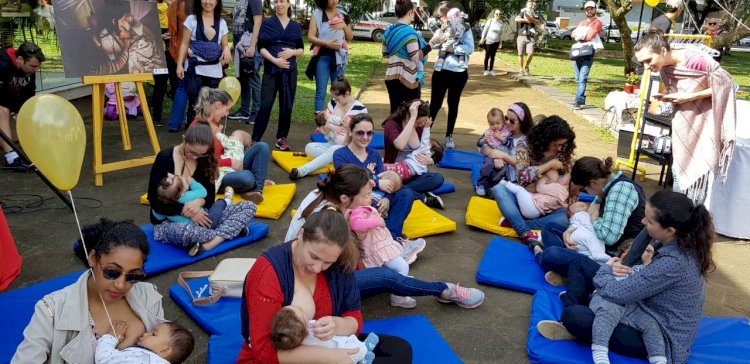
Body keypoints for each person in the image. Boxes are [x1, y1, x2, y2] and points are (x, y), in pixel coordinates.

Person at [537, 191, 715, 364]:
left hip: (657, 335)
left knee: (575, 316)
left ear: (669, 230)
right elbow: (628, 263)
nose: (643, 222)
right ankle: (582, 307)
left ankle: (576, 318)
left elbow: (616, 293)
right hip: (637, 304)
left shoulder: (674, 261)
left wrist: (606, 271)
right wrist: (646, 231)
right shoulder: (678, 238)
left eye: (649, 221)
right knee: (581, 264)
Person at [285, 165, 485, 309]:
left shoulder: (327, 192)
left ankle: (393, 249)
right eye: (364, 196)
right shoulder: (331, 219)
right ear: (345, 198)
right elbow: (335, 266)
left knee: (403, 197)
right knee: (389, 277)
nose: (369, 200)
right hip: (315, 285)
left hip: (317, 272)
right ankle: (444, 290)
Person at [239, 209, 414, 362]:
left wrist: (337, 325)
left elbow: (354, 317)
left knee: (399, 349)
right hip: (284, 356)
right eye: (314, 256)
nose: (317, 268)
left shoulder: (339, 265)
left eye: (327, 262)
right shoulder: (268, 272)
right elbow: (264, 350)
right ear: (300, 235)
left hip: (330, 344)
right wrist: (328, 357)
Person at [13, 219, 167, 363]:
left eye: (133, 276)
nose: (120, 285)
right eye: (112, 272)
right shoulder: (51, 311)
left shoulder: (149, 297)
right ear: (93, 258)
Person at [634, 30, 737, 205]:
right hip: (684, 124)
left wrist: (689, 97)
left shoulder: (695, 59)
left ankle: (689, 218)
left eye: (648, 60)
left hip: (705, 122)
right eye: (642, 62)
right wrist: (669, 97)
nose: (646, 66)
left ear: (663, 51)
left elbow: (727, 85)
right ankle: (682, 215)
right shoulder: (665, 68)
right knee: (678, 170)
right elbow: (680, 90)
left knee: (696, 173)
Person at [147, 122, 256, 254]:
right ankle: (228, 232)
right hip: (171, 221)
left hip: (203, 215)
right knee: (186, 233)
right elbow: (154, 200)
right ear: (184, 139)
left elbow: (210, 199)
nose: (194, 157)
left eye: (199, 154)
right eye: (191, 152)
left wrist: (198, 202)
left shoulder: (205, 160)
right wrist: (186, 210)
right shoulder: (165, 157)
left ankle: (210, 243)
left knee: (249, 206)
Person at [533, 156, 646, 282]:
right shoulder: (605, 187)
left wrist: (593, 218)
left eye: (584, 190)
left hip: (610, 259)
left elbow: (608, 237)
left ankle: (546, 259)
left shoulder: (620, 190)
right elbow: (587, 217)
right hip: (592, 242)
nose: (585, 194)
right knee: (550, 227)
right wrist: (568, 232)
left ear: (593, 183)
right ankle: (568, 269)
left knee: (551, 254)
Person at [490, 115, 576, 243]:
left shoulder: (563, 151)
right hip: (525, 200)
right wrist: (550, 165)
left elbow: (567, 179)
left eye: (563, 145)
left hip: (551, 205)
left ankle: (522, 224)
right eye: (556, 145)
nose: (560, 148)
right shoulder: (524, 146)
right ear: (546, 139)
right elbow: (522, 178)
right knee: (499, 189)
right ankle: (524, 232)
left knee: (568, 217)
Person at [333, 114, 418, 238]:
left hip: (378, 197)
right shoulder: (340, 154)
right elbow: (348, 182)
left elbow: (386, 180)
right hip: (357, 200)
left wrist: (387, 197)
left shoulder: (374, 154)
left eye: (369, 133)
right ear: (350, 132)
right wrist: (377, 183)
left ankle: (391, 236)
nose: (365, 137)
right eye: (360, 133)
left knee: (406, 193)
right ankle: (388, 236)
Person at [346, 181, 426, 307]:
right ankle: (398, 296)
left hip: (383, 246)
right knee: (403, 266)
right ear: (349, 200)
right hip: (377, 249)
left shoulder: (362, 207)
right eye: (365, 196)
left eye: (369, 194)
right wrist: (376, 221)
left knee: (394, 267)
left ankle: (400, 280)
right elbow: (357, 224)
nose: (370, 197)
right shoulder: (356, 212)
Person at [189, 88, 270, 202]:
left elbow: (220, 150)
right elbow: (200, 162)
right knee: (246, 177)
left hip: (227, 166)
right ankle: (256, 182)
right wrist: (230, 162)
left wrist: (234, 143)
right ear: (218, 105)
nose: (227, 114)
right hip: (214, 174)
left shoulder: (213, 123)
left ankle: (256, 189)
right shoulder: (199, 127)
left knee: (262, 147)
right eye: (227, 110)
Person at [586, 242, 660, 364]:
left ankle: (659, 360)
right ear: (626, 251)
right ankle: (600, 353)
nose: (649, 254)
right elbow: (598, 279)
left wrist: (648, 264)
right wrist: (608, 266)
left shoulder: (642, 270)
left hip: (631, 307)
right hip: (607, 299)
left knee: (651, 323)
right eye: (646, 250)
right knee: (609, 311)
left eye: (651, 252)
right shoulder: (611, 263)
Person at [252, 0, 304, 151]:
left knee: (287, 106)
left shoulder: (294, 26)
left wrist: (292, 52)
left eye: (282, 1)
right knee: (265, 105)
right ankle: (256, 139)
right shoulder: (268, 23)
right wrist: (276, 61)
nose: (279, 4)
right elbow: (261, 47)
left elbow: (301, 48)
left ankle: (282, 138)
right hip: (271, 71)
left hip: (289, 72)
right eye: (276, 2)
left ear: (288, 4)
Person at [291, 76, 367, 179]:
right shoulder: (333, 103)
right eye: (334, 98)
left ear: (347, 94)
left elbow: (363, 136)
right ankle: (336, 159)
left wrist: (351, 127)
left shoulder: (360, 109)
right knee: (309, 147)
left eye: (337, 98)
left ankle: (301, 171)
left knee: (335, 150)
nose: (335, 100)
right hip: (332, 142)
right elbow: (324, 123)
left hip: (349, 147)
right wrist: (332, 126)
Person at [175, 0, 231, 125]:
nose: (207, 2)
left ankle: (209, 135)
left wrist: (226, 49)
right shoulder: (192, 20)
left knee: (212, 106)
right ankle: (192, 135)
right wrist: (179, 64)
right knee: (195, 105)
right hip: (195, 70)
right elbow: (184, 44)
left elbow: (225, 45)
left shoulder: (221, 23)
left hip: (214, 71)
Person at [383, 100, 446, 208]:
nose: (421, 125)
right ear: (408, 116)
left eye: (423, 122)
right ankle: (422, 197)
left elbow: (433, 149)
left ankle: (396, 190)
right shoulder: (392, 125)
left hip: (414, 174)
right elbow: (400, 145)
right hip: (395, 172)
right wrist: (412, 120)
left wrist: (431, 160)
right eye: (419, 122)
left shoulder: (420, 128)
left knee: (438, 178)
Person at [428, 1, 474, 149]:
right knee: (435, 104)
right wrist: (436, 42)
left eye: (441, 16)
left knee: (453, 105)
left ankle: (449, 136)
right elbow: (433, 43)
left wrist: (452, 49)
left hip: (458, 73)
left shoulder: (465, 28)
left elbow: (470, 48)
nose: (440, 19)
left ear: (449, 15)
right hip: (440, 72)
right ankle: (425, 134)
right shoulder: (442, 28)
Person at [270, 305, 378, 364]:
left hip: (339, 343)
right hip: (343, 350)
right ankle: (364, 354)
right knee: (354, 351)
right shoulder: (312, 328)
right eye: (301, 311)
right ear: (304, 324)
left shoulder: (298, 340)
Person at [0, 42, 45, 170]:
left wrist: (20, 111)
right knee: (2, 110)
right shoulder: (2, 63)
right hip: (2, 97)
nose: (35, 70)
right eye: (32, 66)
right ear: (20, 59)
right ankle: (11, 157)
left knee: (26, 111)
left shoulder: (30, 71)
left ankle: (31, 151)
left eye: (37, 67)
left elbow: (28, 96)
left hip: (8, 95)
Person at [383, 0, 432, 113]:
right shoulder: (410, 33)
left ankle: (393, 131)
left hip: (391, 76)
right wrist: (431, 45)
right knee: (411, 113)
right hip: (408, 78)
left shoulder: (388, 30)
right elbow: (415, 57)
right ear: (410, 12)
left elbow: (385, 54)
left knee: (395, 112)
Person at [308, 0, 353, 116]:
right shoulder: (317, 14)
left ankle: (338, 119)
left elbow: (350, 37)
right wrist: (327, 44)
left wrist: (344, 25)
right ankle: (319, 122)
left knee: (339, 91)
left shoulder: (342, 14)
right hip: (323, 57)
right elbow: (310, 37)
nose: (334, 1)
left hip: (340, 59)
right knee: (320, 92)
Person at [479, 102, 534, 191]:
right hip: (500, 171)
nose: (507, 122)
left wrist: (503, 156)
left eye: (512, 121)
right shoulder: (502, 131)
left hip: (515, 179)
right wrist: (495, 156)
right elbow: (481, 147)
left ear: (521, 123)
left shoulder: (525, 141)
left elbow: (522, 166)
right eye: (506, 118)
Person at [228, 0, 264, 123]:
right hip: (240, 44)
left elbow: (258, 22)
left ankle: (256, 112)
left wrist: (252, 46)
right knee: (243, 79)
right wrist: (234, 46)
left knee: (253, 78)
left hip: (249, 44)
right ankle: (244, 110)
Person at [95, 321, 194, 364]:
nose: (146, 334)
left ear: (164, 350)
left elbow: (104, 359)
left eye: (153, 334)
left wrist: (111, 337)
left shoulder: (141, 357)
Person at [570, 1, 603, 110]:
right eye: (587, 9)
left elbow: (590, 36)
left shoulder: (597, 22)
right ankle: (582, 98)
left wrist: (580, 35)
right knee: (577, 79)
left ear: (595, 9)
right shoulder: (582, 22)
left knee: (583, 78)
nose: (589, 11)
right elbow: (572, 34)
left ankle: (578, 101)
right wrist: (581, 35)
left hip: (588, 53)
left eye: (591, 8)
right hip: (577, 52)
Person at [165, 0, 190, 133]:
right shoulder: (192, 5)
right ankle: (193, 123)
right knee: (195, 89)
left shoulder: (174, 6)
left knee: (182, 87)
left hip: (178, 49)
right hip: (193, 50)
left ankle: (174, 123)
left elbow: (172, 31)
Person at [476, 108, 513, 196]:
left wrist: (502, 139)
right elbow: (478, 144)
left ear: (503, 121)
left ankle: (498, 186)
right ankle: (481, 184)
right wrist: (484, 141)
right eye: (492, 124)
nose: (495, 126)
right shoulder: (488, 132)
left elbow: (510, 144)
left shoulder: (507, 132)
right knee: (487, 166)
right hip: (490, 157)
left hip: (504, 157)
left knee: (504, 171)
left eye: (497, 123)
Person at [515, 0, 540, 76]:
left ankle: (526, 66)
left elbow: (538, 22)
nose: (532, 5)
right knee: (520, 54)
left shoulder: (535, 14)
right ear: (527, 4)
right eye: (530, 3)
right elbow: (516, 19)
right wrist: (526, 20)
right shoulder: (523, 12)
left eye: (533, 5)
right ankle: (521, 69)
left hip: (531, 36)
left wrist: (531, 19)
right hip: (521, 35)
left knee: (531, 53)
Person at [480, 9, 503, 76]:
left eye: (499, 14)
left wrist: (500, 42)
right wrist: (482, 38)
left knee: (493, 56)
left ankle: (491, 70)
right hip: (489, 41)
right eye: (496, 14)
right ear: (494, 14)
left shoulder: (501, 22)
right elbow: (485, 30)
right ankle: (485, 70)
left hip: (496, 41)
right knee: (487, 56)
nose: (498, 15)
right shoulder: (490, 21)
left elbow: (501, 34)